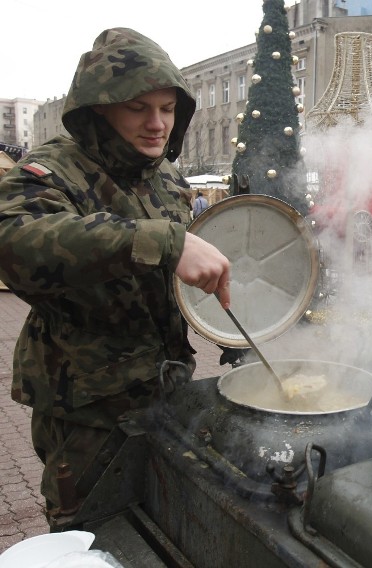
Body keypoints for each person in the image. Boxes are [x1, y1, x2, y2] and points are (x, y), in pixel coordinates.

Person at [0, 28, 231, 516]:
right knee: (91, 534)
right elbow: (16, 244)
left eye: (168, 109)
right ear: (99, 107)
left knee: (164, 521)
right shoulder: (52, 170)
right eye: (138, 108)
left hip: (166, 392)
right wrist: (163, 241)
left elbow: (181, 269)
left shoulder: (166, 176)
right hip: (87, 411)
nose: (157, 124)